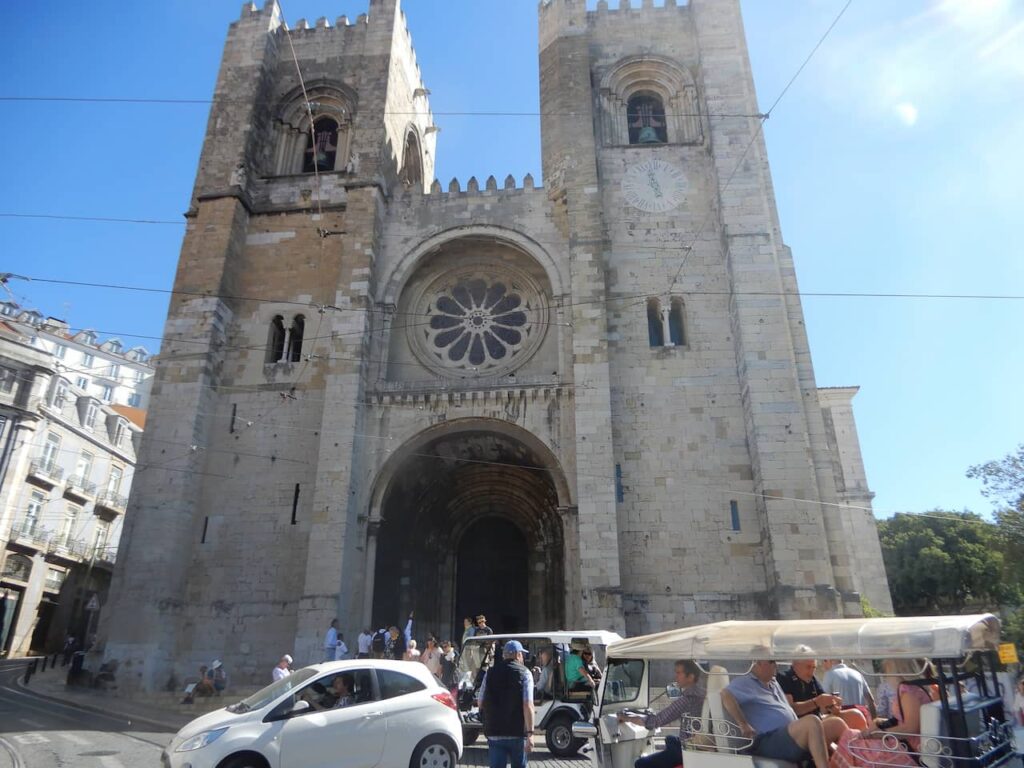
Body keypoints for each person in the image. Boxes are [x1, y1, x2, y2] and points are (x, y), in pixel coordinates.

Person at [721, 659, 847, 768]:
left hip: (788, 736)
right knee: (812, 722)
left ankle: (854, 759)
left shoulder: (773, 682)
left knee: (836, 723)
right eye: (771, 662)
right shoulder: (745, 682)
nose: (775, 665)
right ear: (757, 663)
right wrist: (743, 724)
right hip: (768, 740)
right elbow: (725, 694)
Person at [619, 660, 706, 768]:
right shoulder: (704, 694)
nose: (676, 676)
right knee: (670, 739)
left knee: (640, 764)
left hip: (686, 750)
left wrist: (627, 718)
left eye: (679, 673)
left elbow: (656, 721)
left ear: (691, 677)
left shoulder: (687, 700)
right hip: (695, 746)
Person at [479, 640, 534, 768]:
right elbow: (528, 705)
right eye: (522, 655)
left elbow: (480, 702)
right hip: (517, 732)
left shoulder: (490, 673)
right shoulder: (525, 673)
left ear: (504, 655)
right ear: (518, 655)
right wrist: (530, 733)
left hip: (494, 731)